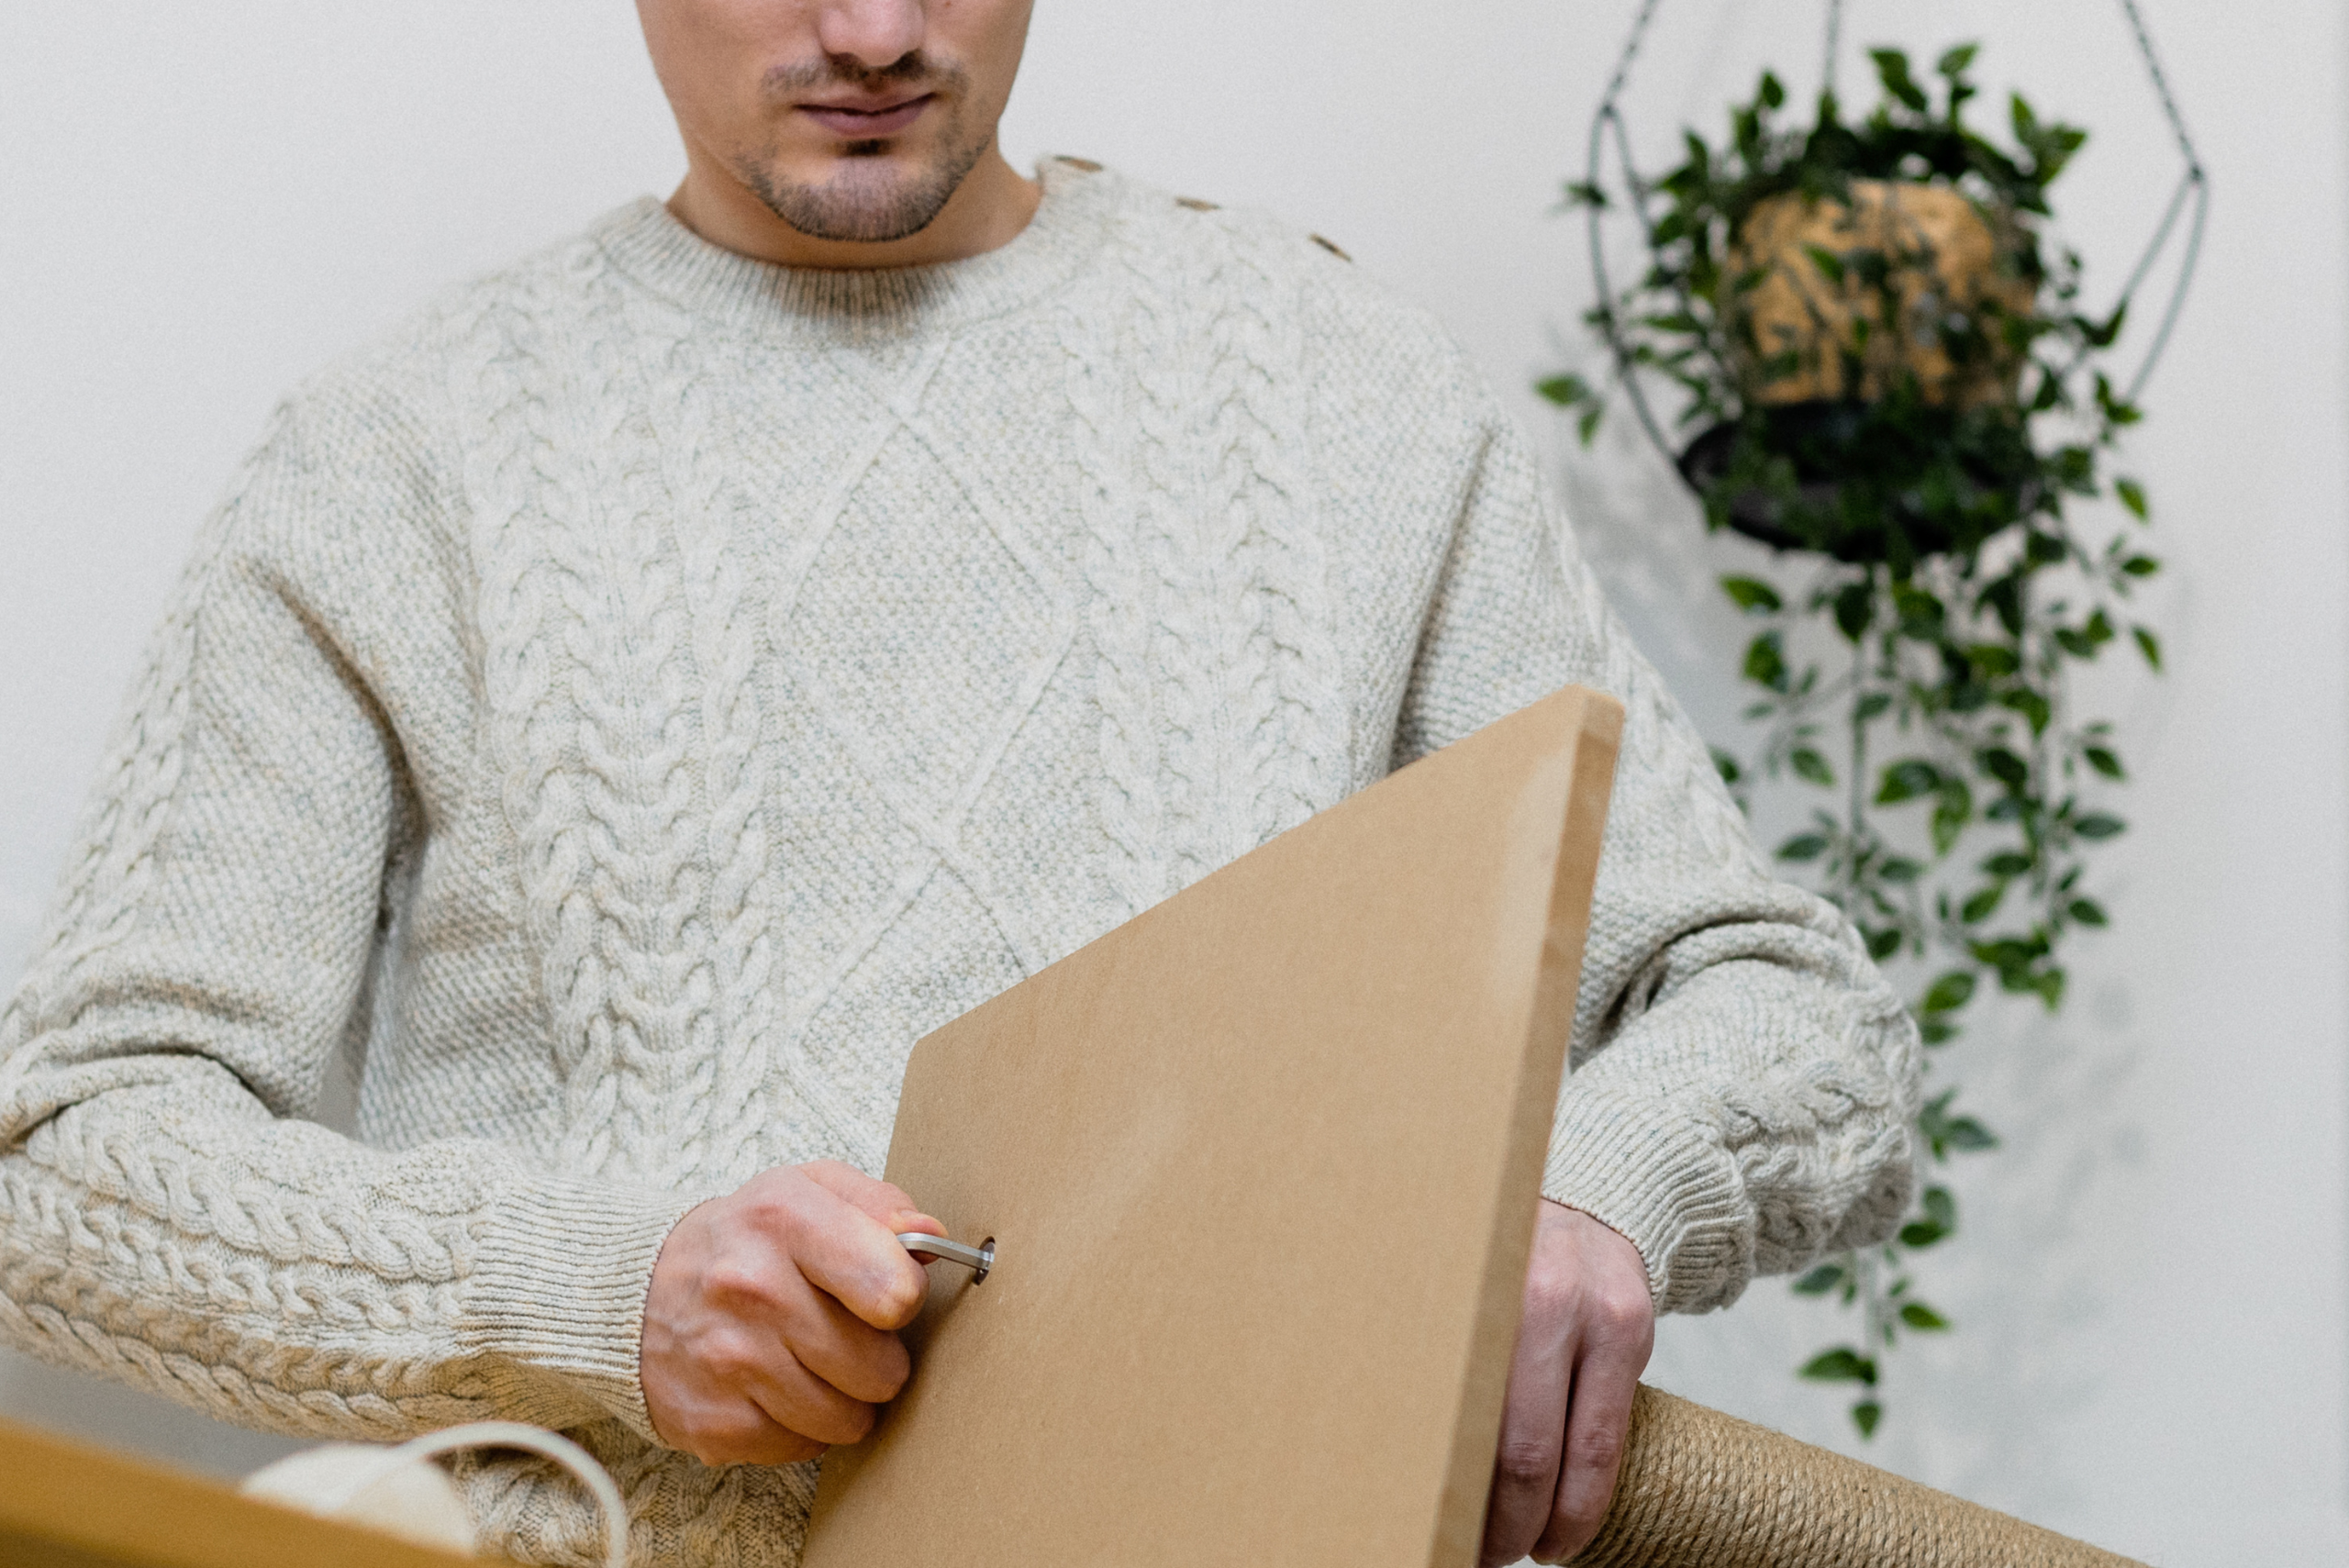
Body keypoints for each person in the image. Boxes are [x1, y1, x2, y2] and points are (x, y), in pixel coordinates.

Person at [0, 3, 1920, 1564]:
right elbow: (62, 1169)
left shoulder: (1338, 385)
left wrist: (1590, 1197)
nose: (871, 29)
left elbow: (1792, 1014)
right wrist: (604, 1284)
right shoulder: (392, 457)